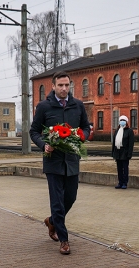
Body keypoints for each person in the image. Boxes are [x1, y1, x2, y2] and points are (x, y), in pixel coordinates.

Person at [30, 71, 90, 255]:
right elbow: (34, 131)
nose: (64, 89)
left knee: (70, 198)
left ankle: (52, 221)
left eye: (67, 85)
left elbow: (86, 128)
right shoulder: (44, 107)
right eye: (61, 85)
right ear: (53, 86)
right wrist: (43, 145)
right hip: (53, 162)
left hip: (71, 160)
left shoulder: (77, 106)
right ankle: (64, 240)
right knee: (57, 202)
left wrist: (82, 137)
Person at [112, 115, 135, 189]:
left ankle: (125, 183)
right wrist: (113, 153)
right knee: (119, 168)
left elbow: (131, 144)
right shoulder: (117, 130)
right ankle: (120, 182)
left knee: (125, 168)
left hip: (125, 152)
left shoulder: (129, 131)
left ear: (126, 122)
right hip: (118, 152)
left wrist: (129, 154)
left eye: (123, 120)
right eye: (121, 120)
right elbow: (114, 143)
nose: (122, 122)